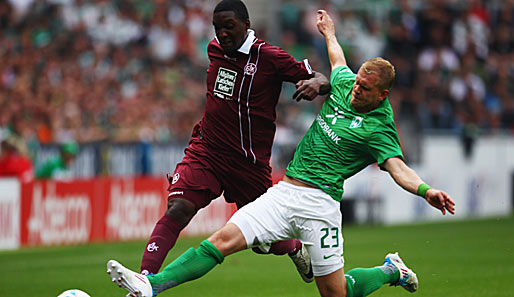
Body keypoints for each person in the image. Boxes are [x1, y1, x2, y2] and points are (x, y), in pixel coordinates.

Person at [106, 9, 456, 297]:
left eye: (364, 89)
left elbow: (397, 168)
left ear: (382, 95)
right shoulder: (347, 82)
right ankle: (149, 285)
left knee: (336, 294)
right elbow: (336, 61)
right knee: (220, 241)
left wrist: (426, 190)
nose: (354, 91)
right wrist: (329, 32)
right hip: (284, 192)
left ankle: (390, 270)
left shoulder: (380, 129)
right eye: (356, 81)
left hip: (321, 206)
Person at [137, 0, 331, 282]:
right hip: (207, 150)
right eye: (217, 28)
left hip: (248, 164)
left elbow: (321, 78)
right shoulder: (215, 49)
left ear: (246, 25)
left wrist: (316, 83)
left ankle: (295, 247)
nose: (222, 34)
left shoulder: (270, 57)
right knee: (178, 207)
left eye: (229, 27)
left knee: (267, 243)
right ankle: (144, 281)